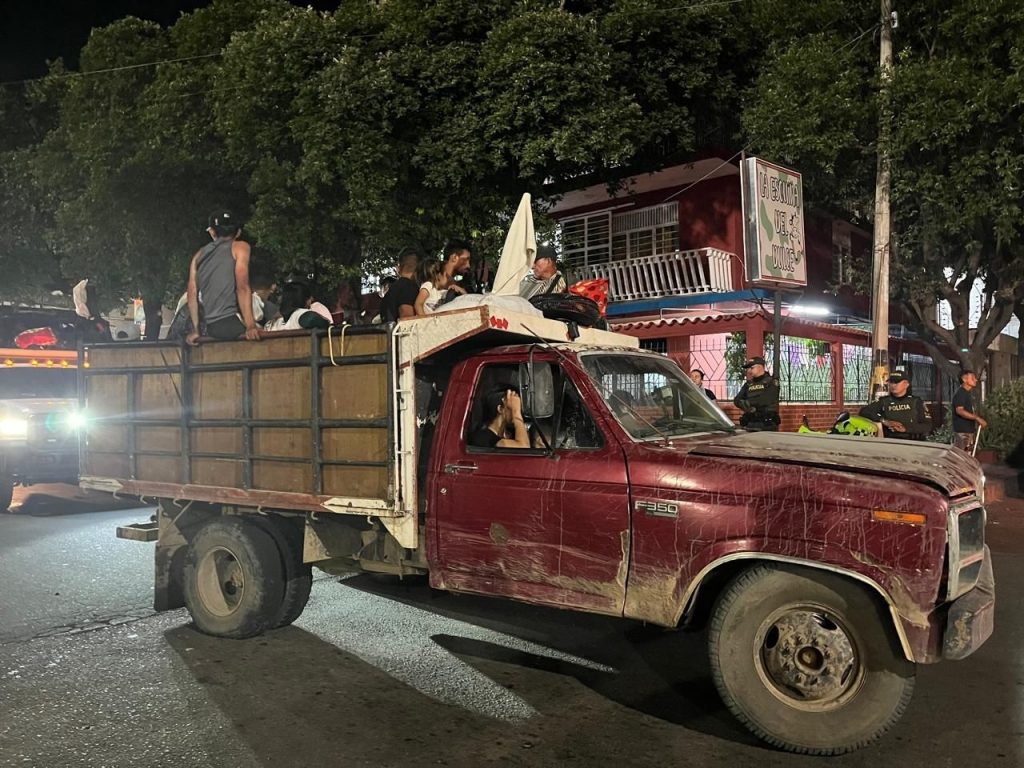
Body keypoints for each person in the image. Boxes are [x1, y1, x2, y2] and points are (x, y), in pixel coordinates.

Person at [186, 211, 260, 345]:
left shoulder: (198, 256)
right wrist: (250, 326)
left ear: (212, 232)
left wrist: (196, 330)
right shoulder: (240, 247)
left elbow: (192, 294)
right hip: (231, 322)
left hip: (212, 327)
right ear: (238, 232)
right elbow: (242, 287)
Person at [859, 368, 931, 440]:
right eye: (891, 382)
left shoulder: (916, 401)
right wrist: (885, 421)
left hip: (912, 441)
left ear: (906, 384)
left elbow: (927, 426)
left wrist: (906, 428)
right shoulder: (884, 401)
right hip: (891, 441)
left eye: (896, 382)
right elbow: (864, 412)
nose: (893, 385)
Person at [733, 356, 780, 431]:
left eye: (751, 368)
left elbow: (765, 400)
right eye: (748, 369)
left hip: (766, 425)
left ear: (760, 367)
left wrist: (748, 403)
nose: (749, 371)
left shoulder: (771, 382)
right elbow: (737, 400)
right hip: (750, 423)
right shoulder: (748, 384)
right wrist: (744, 405)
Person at [264, 282, 332, 331]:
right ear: (305, 300)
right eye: (309, 299)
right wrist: (326, 322)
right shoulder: (299, 313)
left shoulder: (272, 323)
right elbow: (312, 319)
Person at [380, 249, 420, 322]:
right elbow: (406, 318)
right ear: (419, 269)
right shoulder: (408, 287)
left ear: (398, 268)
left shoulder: (391, 291)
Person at [952, 369, 987, 452]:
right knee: (961, 456)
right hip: (963, 432)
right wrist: (977, 418)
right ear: (964, 379)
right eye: (972, 378)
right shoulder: (961, 393)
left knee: (967, 455)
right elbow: (960, 411)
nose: (976, 380)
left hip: (967, 430)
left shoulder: (966, 393)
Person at [439, 239, 475, 305]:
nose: (468, 266)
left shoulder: (458, 287)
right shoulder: (430, 277)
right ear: (454, 258)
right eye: (465, 260)